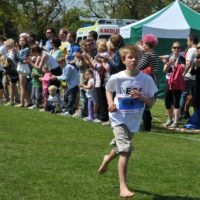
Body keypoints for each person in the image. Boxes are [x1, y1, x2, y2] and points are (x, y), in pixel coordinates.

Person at [98, 45, 158, 198]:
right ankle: (123, 187)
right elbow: (108, 89)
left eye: (136, 57)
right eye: (130, 57)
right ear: (123, 60)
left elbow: (151, 102)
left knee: (121, 146)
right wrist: (110, 103)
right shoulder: (117, 77)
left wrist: (142, 97)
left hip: (134, 120)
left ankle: (107, 158)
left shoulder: (146, 79)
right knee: (125, 150)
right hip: (118, 118)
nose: (133, 60)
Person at [138, 33, 160, 131]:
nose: (142, 45)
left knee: (144, 101)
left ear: (147, 44)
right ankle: (147, 123)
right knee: (148, 100)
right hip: (154, 78)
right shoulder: (155, 53)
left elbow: (139, 67)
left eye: (143, 44)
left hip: (147, 78)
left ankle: (146, 126)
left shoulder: (148, 55)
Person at [162, 42, 186, 128]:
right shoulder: (168, 57)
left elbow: (183, 69)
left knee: (176, 101)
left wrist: (177, 66)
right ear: (171, 48)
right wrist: (168, 64)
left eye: (178, 48)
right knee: (167, 101)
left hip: (177, 82)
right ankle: (169, 119)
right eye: (174, 48)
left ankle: (175, 121)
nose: (176, 49)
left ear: (180, 49)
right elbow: (164, 71)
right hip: (169, 80)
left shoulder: (182, 58)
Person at [181, 35, 198, 119]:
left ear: (191, 41)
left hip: (189, 76)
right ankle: (193, 115)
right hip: (196, 77)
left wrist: (183, 73)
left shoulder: (191, 50)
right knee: (194, 97)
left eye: (188, 41)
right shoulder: (198, 50)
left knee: (183, 95)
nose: (187, 43)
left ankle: (180, 114)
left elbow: (188, 63)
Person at [15, 35, 32, 107]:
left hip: (23, 67)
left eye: (23, 40)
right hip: (21, 66)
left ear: (26, 42)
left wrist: (17, 54)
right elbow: (19, 59)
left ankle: (22, 103)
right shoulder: (20, 49)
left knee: (22, 86)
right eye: (20, 40)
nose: (21, 42)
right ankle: (28, 101)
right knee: (23, 86)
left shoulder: (26, 49)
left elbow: (22, 59)